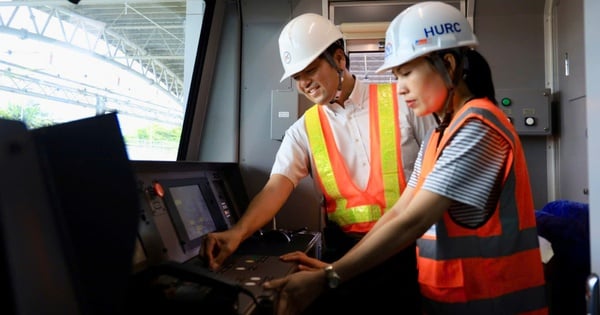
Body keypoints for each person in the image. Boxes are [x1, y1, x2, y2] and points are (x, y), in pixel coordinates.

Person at [263, 2, 549, 314]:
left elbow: (413, 221)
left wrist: (328, 277)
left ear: (449, 65)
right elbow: (400, 213)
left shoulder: (479, 127)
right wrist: (331, 269)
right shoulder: (440, 134)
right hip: (454, 301)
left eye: (407, 73)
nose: (399, 89)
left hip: (493, 303)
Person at [199, 12, 436, 314]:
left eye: (309, 70)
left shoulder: (405, 104)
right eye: (297, 77)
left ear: (339, 59)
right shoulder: (303, 130)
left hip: (410, 253)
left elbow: (435, 177)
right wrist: (237, 233)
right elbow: (276, 187)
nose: (303, 83)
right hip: (344, 256)